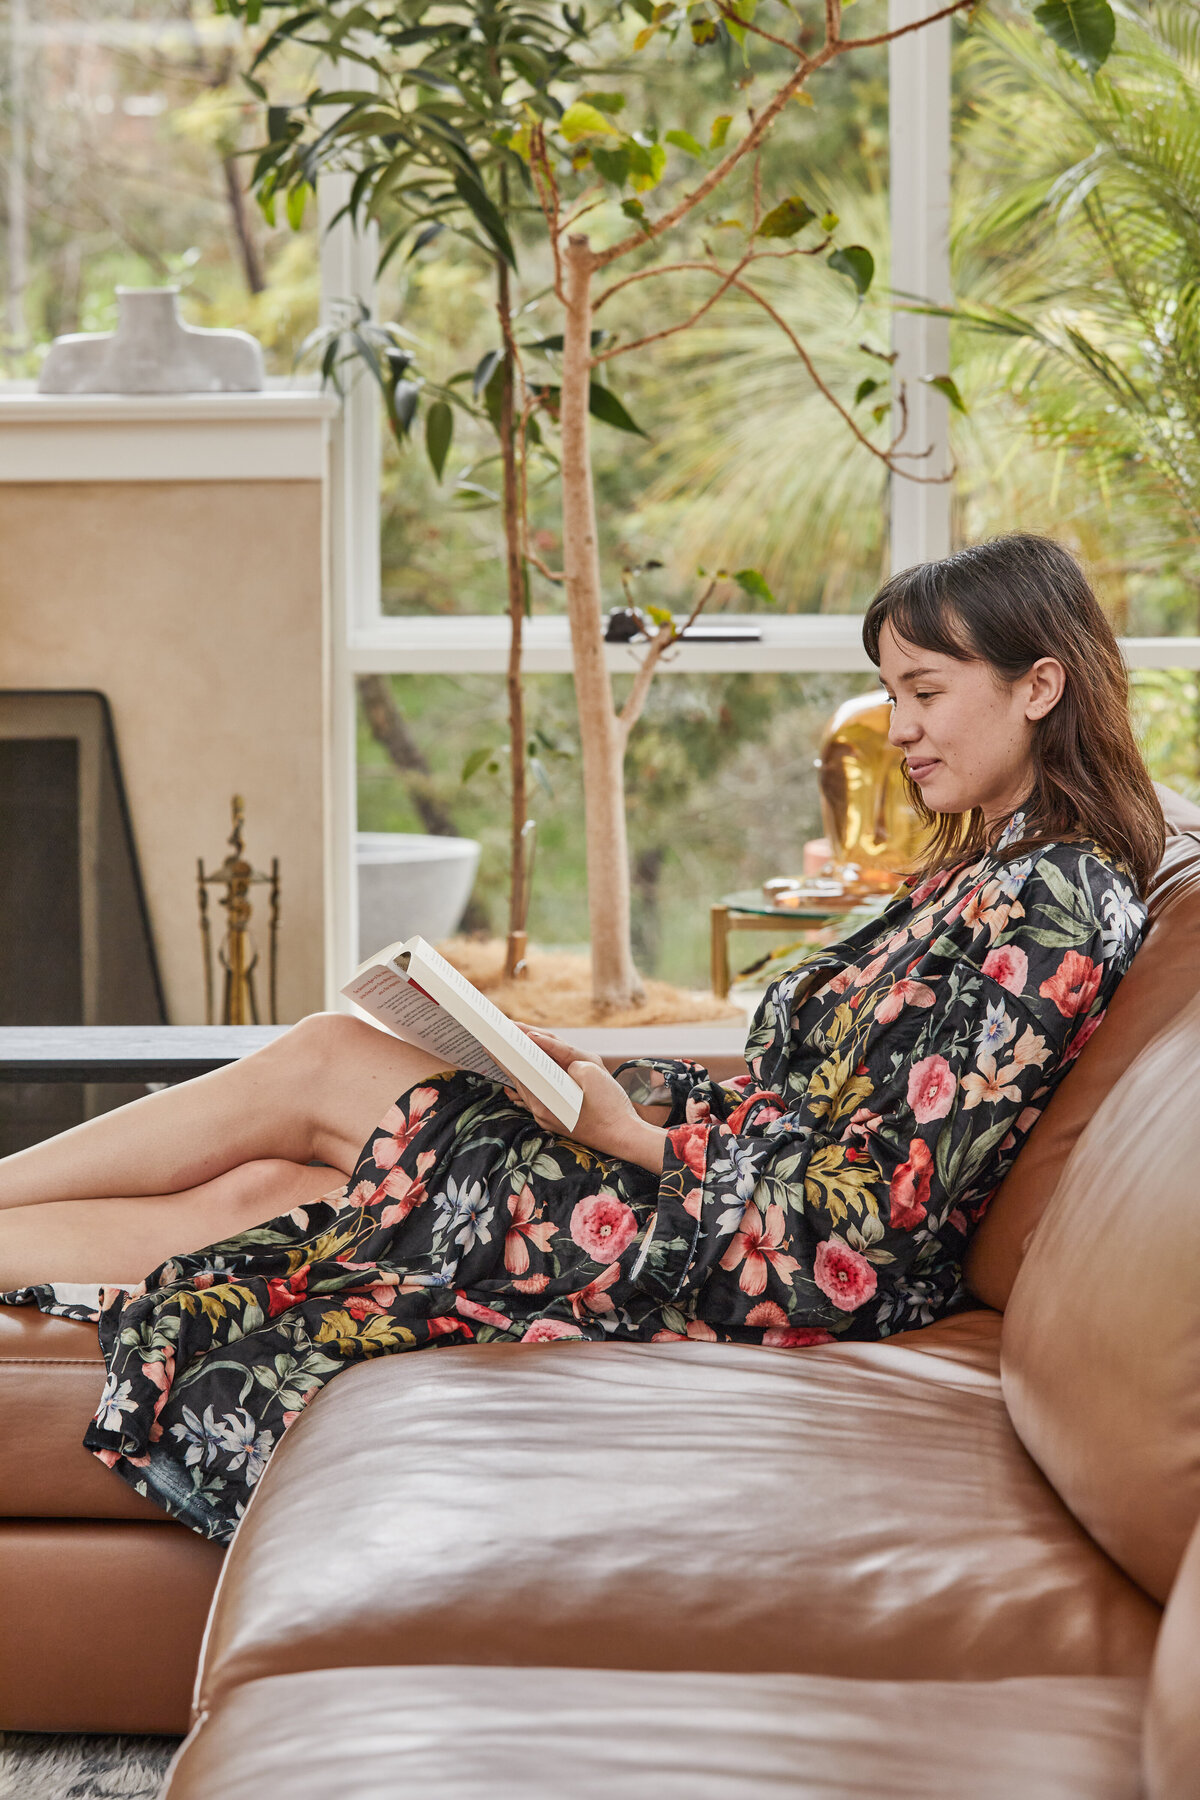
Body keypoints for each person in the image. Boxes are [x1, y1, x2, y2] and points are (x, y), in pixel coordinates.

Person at [0, 533, 1164, 1542]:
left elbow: (885, 1203)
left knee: (323, 1060)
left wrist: (647, 1146)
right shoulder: (986, 867)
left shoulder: (1059, 899)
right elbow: (802, 1098)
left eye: (925, 691)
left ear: (1040, 685)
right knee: (273, 1183)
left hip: (779, 1263)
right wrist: (592, 1075)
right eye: (892, 694)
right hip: (727, 1201)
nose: (900, 730)